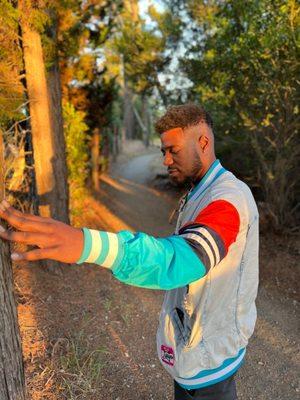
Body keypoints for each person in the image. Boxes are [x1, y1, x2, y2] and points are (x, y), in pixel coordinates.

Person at [0, 103, 259, 400]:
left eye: (173, 150)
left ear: (203, 142)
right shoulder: (201, 188)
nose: (166, 160)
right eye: (163, 151)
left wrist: (86, 245)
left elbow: (179, 260)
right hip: (196, 350)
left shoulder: (229, 198)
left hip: (211, 359)